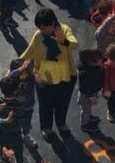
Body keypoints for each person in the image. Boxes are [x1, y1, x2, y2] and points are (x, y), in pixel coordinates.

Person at [19, 9, 78, 139]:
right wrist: (16, 65)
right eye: (40, 28)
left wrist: (63, 41)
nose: (43, 31)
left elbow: (74, 44)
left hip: (66, 77)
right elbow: (29, 52)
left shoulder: (64, 30)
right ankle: (46, 127)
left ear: (53, 23)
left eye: (45, 28)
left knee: (63, 103)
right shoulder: (38, 35)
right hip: (44, 79)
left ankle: (61, 124)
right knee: (45, 106)